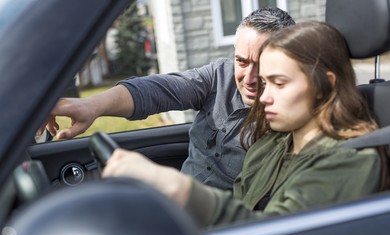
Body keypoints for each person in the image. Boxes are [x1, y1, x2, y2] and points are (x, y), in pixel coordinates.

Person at [101, 21, 389, 228]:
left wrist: (175, 186)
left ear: (324, 85)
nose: (262, 96)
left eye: (278, 83)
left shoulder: (350, 159)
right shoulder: (273, 143)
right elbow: (167, 88)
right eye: (265, 82)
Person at [43, 7, 296, 190]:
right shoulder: (220, 75)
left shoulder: (292, 122)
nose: (249, 77)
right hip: (177, 207)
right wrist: (91, 106)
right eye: (241, 61)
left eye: (261, 64)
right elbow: (159, 89)